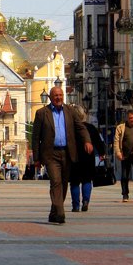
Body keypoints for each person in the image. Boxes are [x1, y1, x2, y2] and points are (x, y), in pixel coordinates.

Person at [31, 86, 93, 224]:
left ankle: (54, 212)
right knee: (56, 181)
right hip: (50, 154)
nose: (58, 98)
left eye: (60, 95)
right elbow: (35, 137)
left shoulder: (70, 111)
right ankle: (60, 213)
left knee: (64, 183)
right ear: (50, 98)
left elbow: (80, 127)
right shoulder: (42, 113)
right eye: (56, 96)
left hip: (67, 152)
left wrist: (87, 141)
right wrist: (36, 158)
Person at [69, 105, 105, 213]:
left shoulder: (70, 129)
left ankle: (75, 205)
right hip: (88, 157)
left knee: (74, 182)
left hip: (74, 157)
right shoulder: (90, 128)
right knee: (87, 180)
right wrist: (102, 153)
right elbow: (99, 142)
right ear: (83, 115)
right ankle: (85, 201)